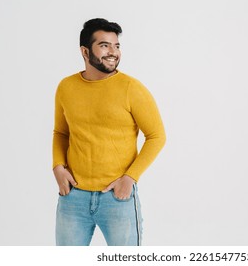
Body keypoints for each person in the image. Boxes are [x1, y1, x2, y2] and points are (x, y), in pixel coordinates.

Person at [52, 18, 166, 246]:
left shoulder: (131, 89)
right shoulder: (66, 87)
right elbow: (61, 132)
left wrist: (130, 178)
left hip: (117, 198)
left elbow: (157, 136)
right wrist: (57, 167)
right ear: (85, 51)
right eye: (104, 45)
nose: (113, 52)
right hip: (73, 197)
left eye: (117, 46)